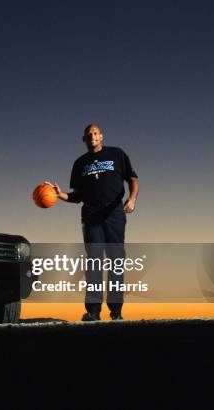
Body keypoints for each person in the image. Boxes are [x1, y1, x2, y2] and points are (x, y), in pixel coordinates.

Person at [46, 124, 139, 321]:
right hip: (91, 215)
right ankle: (93, 311)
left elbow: (132, 178)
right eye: (88, 135)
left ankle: (116, 311)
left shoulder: (117, 154)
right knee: (94, 261)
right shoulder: (80, 163)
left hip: (114, 213)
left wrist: (132, 199)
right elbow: (77, 196)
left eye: (95, 133)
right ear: (84, 140)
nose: (92, 137)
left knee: (116, 260)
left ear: (101, 136)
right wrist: (59, 194)